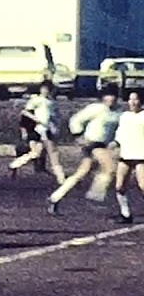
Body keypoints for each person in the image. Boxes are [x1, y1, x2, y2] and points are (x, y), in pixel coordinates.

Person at [47, 84, 122, 215]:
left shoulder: (118, 112)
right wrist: (78, 136)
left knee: (81, 173)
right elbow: (76, 120)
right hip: (92, 143)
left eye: (113, 96)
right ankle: (95, 196)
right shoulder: (96, 109)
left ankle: (55, 197)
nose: (111, 99)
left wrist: (116, 141)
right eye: (108, 96)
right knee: (110, 168)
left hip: (104, 144)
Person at [8, 81, 66, 185]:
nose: (45, 91)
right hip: (42, 129)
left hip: (48, 128)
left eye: (48, 89)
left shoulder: (52, 102)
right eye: (44, 89)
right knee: (53, 153)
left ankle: (15, 164)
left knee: (37, 153)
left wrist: (56, 126)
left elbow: (55, 117)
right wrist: (36, 119)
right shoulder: (36, 100)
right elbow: (25, 112)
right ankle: (61, 179)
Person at [113, 91, 144, 224]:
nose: (132, 102)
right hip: (126, 154)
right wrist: (114, 143)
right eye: (130, 99)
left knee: (143, 185)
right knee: (120, 186)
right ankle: (125, 214)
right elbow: (120, 133)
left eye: (135, 99)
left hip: (141, 154)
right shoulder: (125, 116)